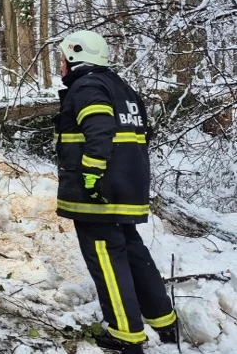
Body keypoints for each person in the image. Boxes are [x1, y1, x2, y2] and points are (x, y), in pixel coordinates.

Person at [55, 30, 178, 353]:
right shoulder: (121, 87)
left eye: (62, 59)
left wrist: (93, 175)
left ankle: (125, 333)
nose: (60, 66)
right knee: (132, 250)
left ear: (74, 57)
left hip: (99, 195)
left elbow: (99, 129)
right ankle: (163, 320)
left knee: (107, 258)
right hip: (127, 188)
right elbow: (142, 134)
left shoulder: (87, 87)